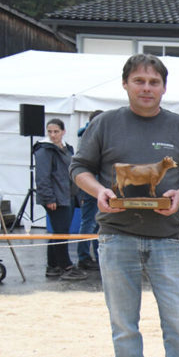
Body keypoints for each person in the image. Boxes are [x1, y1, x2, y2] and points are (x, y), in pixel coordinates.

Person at [69, 53, 179, 357]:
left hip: (167, 237)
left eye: (154, 82)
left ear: (164, 87)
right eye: (139, 81)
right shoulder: (104, 124)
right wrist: (100, 191)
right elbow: (79, 168)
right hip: (116, 236)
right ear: (125, 84)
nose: (147, 88)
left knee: (178, 320)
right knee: (124, 322)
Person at [36, 118, 88, 281]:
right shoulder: (44, 150)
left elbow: (72, 173)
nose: (53, 135)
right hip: (55, 198)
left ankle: (52, 266)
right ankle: (66, 265)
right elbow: (42, 177)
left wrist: (78, 195)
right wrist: (49, 198)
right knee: (61, 232)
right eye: (50, 131)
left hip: (67, 196)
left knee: (58, 232)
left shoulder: (67, 149)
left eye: (56, 131)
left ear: (63, 132)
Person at [75, 110, 103, 270]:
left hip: (99, 186)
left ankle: (98, 256)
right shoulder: (87, 137)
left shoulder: (93, 135)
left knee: (97, 223)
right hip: (90, 187)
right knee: (88, 223)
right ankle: (84, 257)